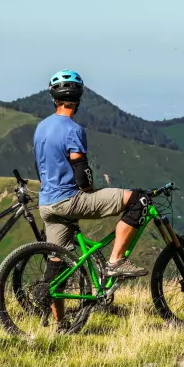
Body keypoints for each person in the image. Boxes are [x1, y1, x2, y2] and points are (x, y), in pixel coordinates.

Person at [34, 70, 150, 289]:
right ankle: (115, 262)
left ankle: (59, 321)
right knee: (139, 200)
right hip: (69, 201)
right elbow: (81, 171)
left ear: (54, 98)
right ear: (78, 99)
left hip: (47, 203)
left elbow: (40, 165)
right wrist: (89, 189)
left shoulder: (41, 127)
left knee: (57, 267)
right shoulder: (73, 129)